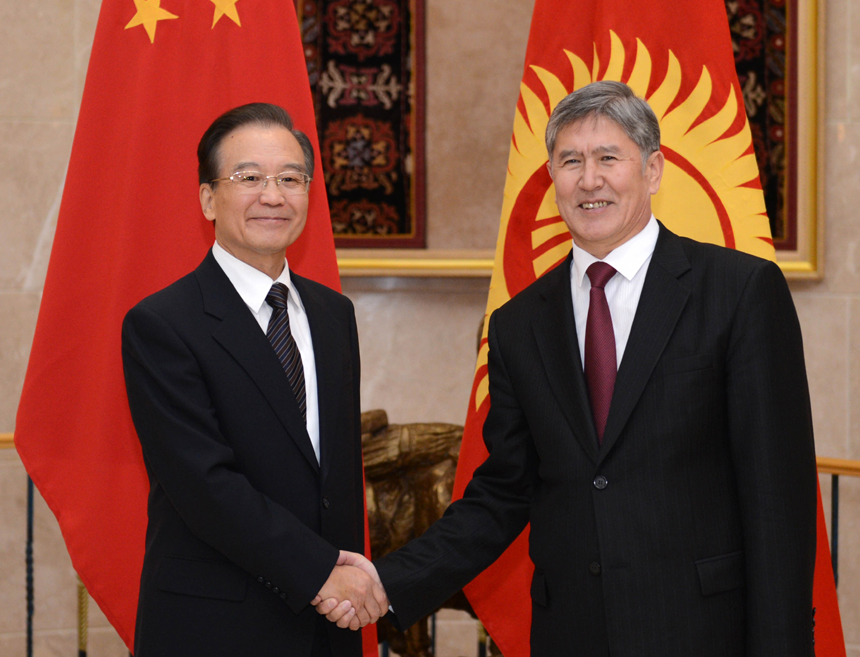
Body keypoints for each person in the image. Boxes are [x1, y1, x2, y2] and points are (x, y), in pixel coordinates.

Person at [318, 81, 818, 655]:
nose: (589, 179)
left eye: (609, 158)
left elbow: (777, 497)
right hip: (571, 635)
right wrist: (386, 582)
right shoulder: (518, 324)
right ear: (552, 177)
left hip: (703, 632)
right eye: (571, 161)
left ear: (652, 170)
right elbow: (502, 494)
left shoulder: (739, 292)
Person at [122, 102, 386, 657]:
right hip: (214, 626)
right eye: (249, 178)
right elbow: (205, 486)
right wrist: (322, 573)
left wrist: (344, 586)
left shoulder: (333, 314)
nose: (274, 195)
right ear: (207, 198)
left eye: (291, 179)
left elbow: (331, 478)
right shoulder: (162, 323)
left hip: (326, 628)